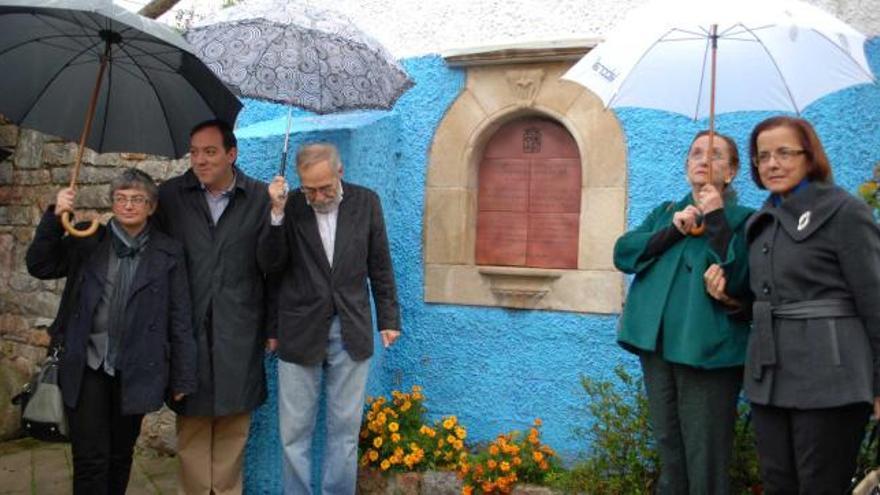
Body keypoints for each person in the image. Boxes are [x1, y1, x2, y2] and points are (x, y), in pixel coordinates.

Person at [706, 116, 880, 494]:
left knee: (820, 485)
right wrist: (730, 297)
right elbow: (756, 297)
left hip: (831, 378)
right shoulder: (762, 223)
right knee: (778, 484)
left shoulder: (844, 212)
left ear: (809, 156)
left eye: (785, 152)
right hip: (770, 377)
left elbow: (875, 300)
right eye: (762, 156)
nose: (772, 163)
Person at [25, 168, 196, 495]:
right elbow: (40, 265)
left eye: (137, 199)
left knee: (120, 455)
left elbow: (180, 317)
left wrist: (182, 376)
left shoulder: (168, 252)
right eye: (121, 198)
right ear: (112, 204)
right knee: (90, 457)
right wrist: (54, 214)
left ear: (151, 206)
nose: (128, 205)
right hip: (88, 365)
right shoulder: (87, 239)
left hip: (137, 368)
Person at [613, 130, 753, 494]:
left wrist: (716, 216)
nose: (704, 160)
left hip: (707, 352)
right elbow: (624, 253)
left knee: (706, 455)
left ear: (732, 170)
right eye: (696, 153)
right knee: (668, 446)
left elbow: (743, 278)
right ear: (686, 165)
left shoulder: (745, 220)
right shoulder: (665, 213)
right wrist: (673, 231)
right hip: (656, 346)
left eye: (716, 155)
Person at [264, 143, 401, 494]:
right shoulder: (290, 205)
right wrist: (276, 214)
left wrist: (388, 318)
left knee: (344, 430)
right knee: (294, 432)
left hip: (350, 327)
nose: (318, 195)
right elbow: (271, 267)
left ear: (340, 172)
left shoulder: (367, 202)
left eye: (324, 187)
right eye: (309, 189)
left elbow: (380, 265)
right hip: (298, 328)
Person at [153, 119, 276, 495]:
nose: (200, 160)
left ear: (231, 154)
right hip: (186, 329)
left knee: (233, 427)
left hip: (239, 328)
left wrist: (277, 215)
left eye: (210, 152)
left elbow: (272, 268)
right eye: (194, 152)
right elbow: (149, 252)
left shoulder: (258, 198)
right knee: (191, 427)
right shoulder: (171, 197)